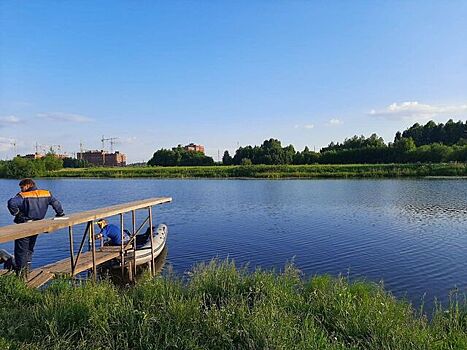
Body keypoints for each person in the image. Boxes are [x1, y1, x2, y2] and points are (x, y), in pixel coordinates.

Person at [7, 178, 64, 275]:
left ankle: (21, 274)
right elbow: (56, 203)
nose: (21, 190)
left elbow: (11, 203)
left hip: (24, 225)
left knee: (21, 250)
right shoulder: (46, 193)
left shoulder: (23, 195)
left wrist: (17, 213)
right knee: (30, 247)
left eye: (22, 187)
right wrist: (60, 213)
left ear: (28, 185)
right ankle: (28, 269)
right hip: (37, 225)